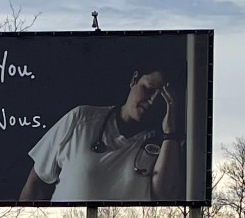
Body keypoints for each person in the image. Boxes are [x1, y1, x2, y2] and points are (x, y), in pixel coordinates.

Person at [19, 63, 185, 204]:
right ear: (134, 79)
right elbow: (35, 186)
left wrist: (170, 134)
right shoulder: (81, 120)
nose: (152, 101)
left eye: (163, 97)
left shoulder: (164, 146)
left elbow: (167, 197)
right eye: (149, 89)